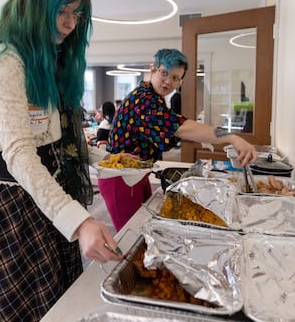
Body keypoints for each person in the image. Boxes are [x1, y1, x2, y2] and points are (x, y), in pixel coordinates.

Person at [0, 0, 122, 321]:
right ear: (35, 6)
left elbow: (56, 140)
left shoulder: (46, 57)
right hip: (13, 198)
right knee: (22, 308)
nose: (69, 24)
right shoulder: (3, 57)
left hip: (49, 192)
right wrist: (80, 221)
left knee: (55, 302)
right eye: (62, 12)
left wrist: (105, 159)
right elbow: (19, 152)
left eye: (77, 15)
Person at [102, 48, 258, 229]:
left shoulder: (154, 97)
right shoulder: (143, 100)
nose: (168, 81)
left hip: (136, 172)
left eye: (175, 78)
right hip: (119, 177)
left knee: (144, 227)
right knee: (130, 234)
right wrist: (230, 137)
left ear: (181, 81)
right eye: (164, 73)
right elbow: (182, 128)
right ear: (153, 69)